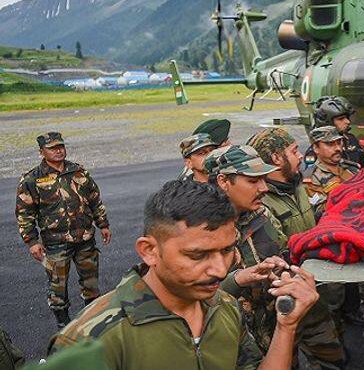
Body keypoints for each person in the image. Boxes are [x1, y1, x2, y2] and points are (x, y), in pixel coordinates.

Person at [48, 179, 320, 370]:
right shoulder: (91, 340)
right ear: (149, 251)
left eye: (226, 250)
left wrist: (286, 327)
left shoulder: (224, 308)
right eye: (198, 255)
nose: (220, 270)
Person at [201, 145, 345, 369]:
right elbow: (188, 298)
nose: (264, 188)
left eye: (264, 179)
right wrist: (238, 279)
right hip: (246, 339)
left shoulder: (262, 214)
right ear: (223, 181)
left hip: (283, 314)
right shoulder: (197, 230)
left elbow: (283, 248)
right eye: (253, 181)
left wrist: (282, 267)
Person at [304, 126, 364, 354]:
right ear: (316, 148)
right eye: (330, 144)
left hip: (362, 240)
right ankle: (336, 342)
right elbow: (317, 215)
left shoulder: (353, 168)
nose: (338, 148)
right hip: (334, 246)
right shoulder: (309, 180)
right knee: (333, 299)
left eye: (339, 143)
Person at [15, 132, 112, 328]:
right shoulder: (32, 179)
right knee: (57, 289)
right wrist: (32, 241)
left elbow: (94, 199)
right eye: (52, 148)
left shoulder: (78, 172)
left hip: (85, 239)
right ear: (41, 151)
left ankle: (92, 323)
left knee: (91, 285)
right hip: (55, 243)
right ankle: (64, 326)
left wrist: (103, 224)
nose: (58, 150)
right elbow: (24, 212)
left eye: (60, 146)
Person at [247, 128, 316, 236]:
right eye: (294, 152)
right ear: (276, 158)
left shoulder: (297, 185)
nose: (300, 155)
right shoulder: (262, 202)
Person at [313, 96, 364, 166]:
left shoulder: (351, 139)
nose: (347, 121)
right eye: (341, 119)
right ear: (328, 122)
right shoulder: (318, 148)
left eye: (347, 117)